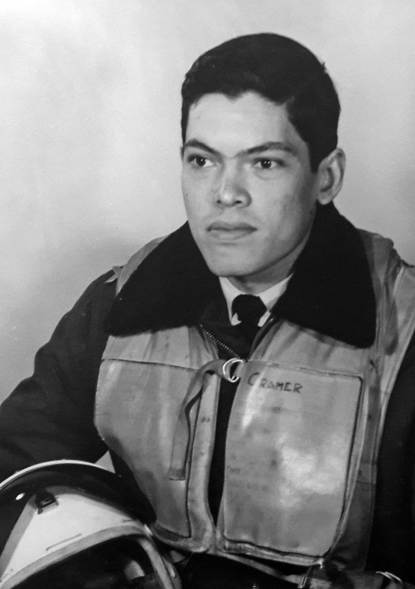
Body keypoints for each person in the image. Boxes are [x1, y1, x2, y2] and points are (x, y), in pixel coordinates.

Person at [0, 32, 415, 589]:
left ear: (327, 177)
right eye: (202, 160)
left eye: (264, 163)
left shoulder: (404, 329)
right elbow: (15, 466)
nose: (225, 193)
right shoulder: (120, 304)